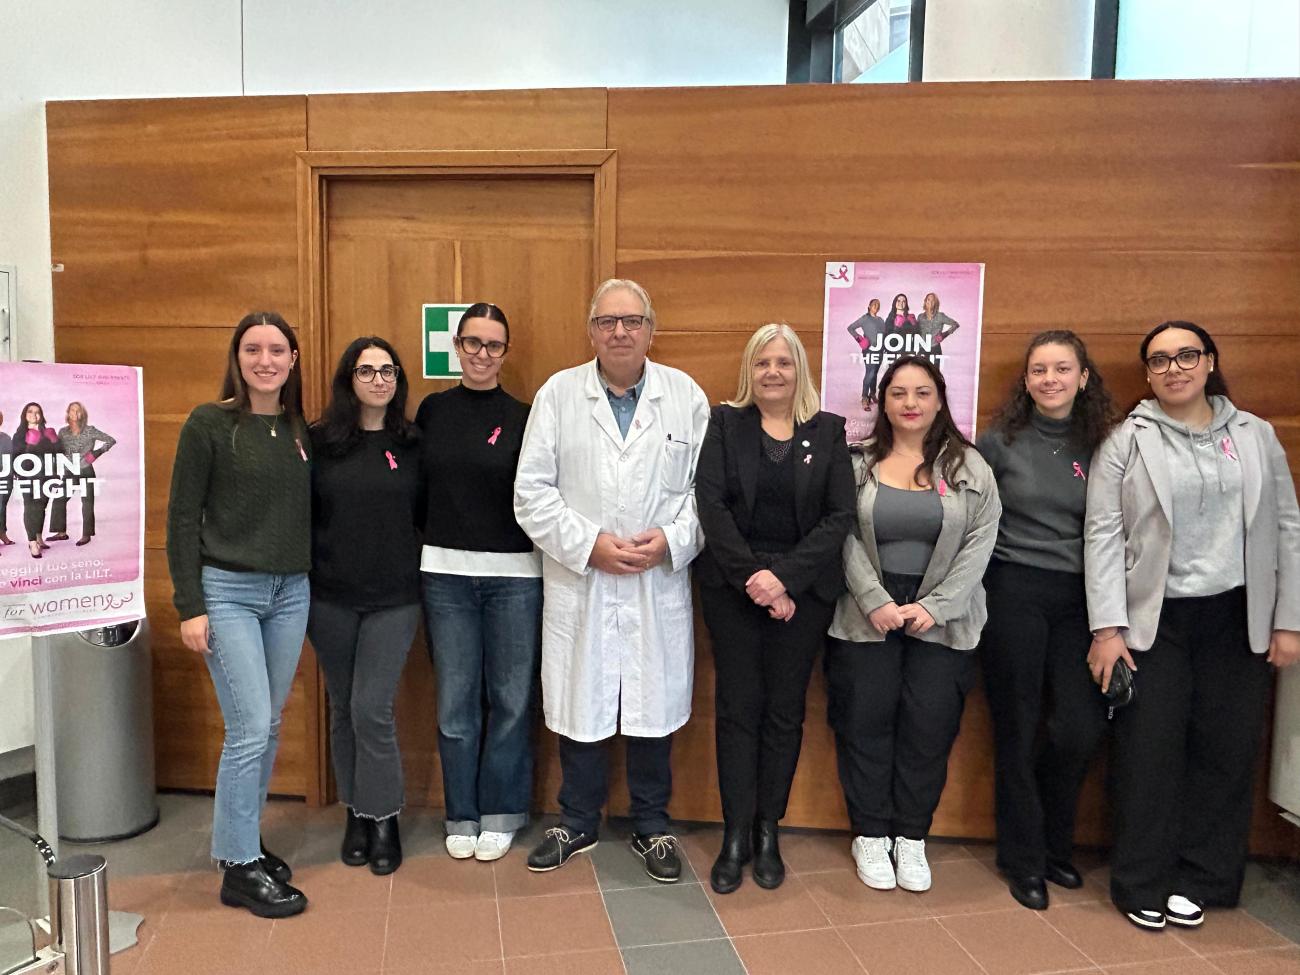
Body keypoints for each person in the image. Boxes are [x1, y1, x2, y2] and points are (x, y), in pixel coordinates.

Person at [1085, 320, 1300, 931]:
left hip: (1238, 617)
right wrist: (1108, 629)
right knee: (1148, 754)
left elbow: (1288, 526)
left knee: (1226, 751)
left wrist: (1289, 621)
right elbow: (1102, 534)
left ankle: (1203, 878)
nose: (1173, 367)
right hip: (1156, 621)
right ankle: (1141, 880)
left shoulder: (1255, 435)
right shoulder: (1127, 439)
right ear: (1147, 374)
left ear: (1209, 362)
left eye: (1186, 355)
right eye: (1159, 360)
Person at [514, 278, 709, 882]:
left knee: (652, 705)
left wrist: (673, 541)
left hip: (657, 581)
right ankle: (577, 820)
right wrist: (588, 545)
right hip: (584, 580)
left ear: (651, 330)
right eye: (607, 322)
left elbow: (712, 492)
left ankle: (652, 825)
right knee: (584, 699)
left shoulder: (685, 397)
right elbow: (531, 493)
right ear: (591, 331)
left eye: (631, 321)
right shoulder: (558, 395)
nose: (619, 332)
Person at [826, 354, 1000, 894]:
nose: (910, 403)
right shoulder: (855, 463)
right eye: (898, 393)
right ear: (880, 402)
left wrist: (938, 605)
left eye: (922, 393)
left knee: (929, 726)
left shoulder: (971, 466)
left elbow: (981, 542)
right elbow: (842, 532)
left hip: (943, 616)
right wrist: (875, 598)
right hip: (867, 611)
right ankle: (871, 833)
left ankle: (911, 836)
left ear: (941, 399)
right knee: (865, 720)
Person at [695, 323, 854, 893]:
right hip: (732, 589)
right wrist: (755, 580)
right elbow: (710, 506)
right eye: (762, 362)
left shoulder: (829, 432)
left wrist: (782, 579)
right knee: (738, 708)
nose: (773, 372)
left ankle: (768, 831)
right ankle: (734, 833)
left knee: (785, 711)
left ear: (800, 370)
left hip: (802, 594)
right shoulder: (723, 423)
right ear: (749, 369)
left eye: (784, 362)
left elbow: (839, 517)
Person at [165, 311, 311, 918]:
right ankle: (237, 866)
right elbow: (180, 519)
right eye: (253, 349)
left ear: (293, 360)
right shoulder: (208, 424)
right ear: (237, 356)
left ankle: (244, 844)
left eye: (277, 350)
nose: (265, 360)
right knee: (249, 726)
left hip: (291, 593)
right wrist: (190, 605)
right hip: (227, 593)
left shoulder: (302, 430)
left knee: (269, 723)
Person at [976, 331, 1117, 910]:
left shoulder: (1109, 444)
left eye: (1063, 369)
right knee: (1017, 726)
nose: (1050, 379)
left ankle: (1057, 841)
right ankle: (1025, 857)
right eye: (1039, 370)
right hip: (1013, 591)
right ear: (1026, 380)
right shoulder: (998, 442)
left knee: (1078, 728)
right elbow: (971, 518)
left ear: (1084, 377)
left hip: (1083, 600)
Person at [417, 303, 541, 864]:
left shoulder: (526, 415)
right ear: (456, 347)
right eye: (472, 343)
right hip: (444, 577)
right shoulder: (432, 410)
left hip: (515, 578)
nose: (481, 354)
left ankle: (502, 812)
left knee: (511, 701)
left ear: (504, 352)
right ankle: (460, 812)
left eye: (493, 345)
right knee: (455, 705)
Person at [308, 337, 423, 876]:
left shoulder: (412, 442)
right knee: (342, 707)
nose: (379, 379)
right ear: (348, 379)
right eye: (366, 370)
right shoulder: (319, 443)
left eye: (388, 370)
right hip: (330, 598)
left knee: (371, 709)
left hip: (394, 599)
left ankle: (384, 816)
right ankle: (356, 811)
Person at [48, 401, 116, 547]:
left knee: (87, 503)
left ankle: (86, 535)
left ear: (82, 414)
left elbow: (111, 440)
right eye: (72, 410)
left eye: (78, 410)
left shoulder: (90, 430)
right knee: (59, 499)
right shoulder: (63, 432)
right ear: (68, 413)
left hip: (86, 470)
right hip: (69, 470)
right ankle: (61, 533)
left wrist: (96, 453)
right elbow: (59, 450)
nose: (75, 413)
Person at [11, 403, 60, 559]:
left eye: (37, 412)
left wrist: (55, 442)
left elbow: (59, 454)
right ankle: (32, 542)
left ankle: (39, 537)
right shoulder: (19, 435)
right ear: (25, 415)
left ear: (41, 415)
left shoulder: (48, 433)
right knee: (30, 508)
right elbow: (16, 459)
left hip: (46, 476)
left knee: (42, 507)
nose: (34, 415)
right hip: (28, 477)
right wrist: (30, 446)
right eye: (30, 412)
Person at [846, 298, 885, 409]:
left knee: (875, 373)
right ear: (869, 306)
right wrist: (860, 339)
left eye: (878, 304)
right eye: (874, 304)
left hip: (880, 350)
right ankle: (864, 397)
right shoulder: (864, 319)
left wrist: (885, 347)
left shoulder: (881, 320)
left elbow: (884, 334)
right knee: (870, 373)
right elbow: (850, 328)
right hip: (869, 350)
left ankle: (872, 394)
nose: (876, 306)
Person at [0, 410, 13, 547]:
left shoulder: (6, 438)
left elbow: (12, 458)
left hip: (6, 478)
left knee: (2, 507)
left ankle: (2, 532)